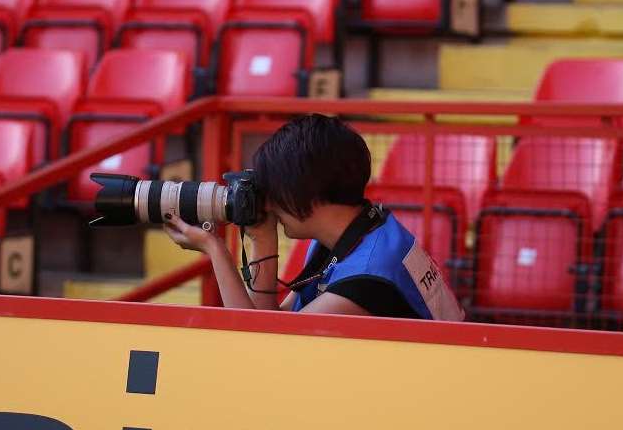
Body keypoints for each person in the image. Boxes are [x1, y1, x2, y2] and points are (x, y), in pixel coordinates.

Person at [163, 113, 465, 320]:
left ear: (306, 191)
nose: (270, 204)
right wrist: (263, 239)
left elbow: (261, 345)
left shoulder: (365, 281)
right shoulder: (360, 231)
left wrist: (215, 250)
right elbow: (271, 321)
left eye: (277, 191)